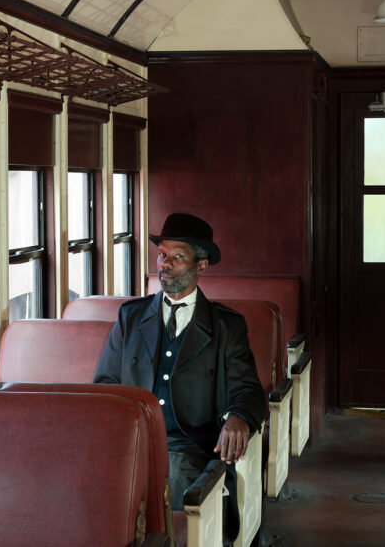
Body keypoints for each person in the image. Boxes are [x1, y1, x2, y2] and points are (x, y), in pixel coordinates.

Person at [94, 212, 265, 542]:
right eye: (162, 254)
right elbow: (105, 386)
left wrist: (238, 418)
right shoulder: (131, 317)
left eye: (178, 256)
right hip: (130, 440)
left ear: (200, 266)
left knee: (174, 474)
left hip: (189, 444)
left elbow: (248, 390)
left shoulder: (227, 326)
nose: (165, 264)